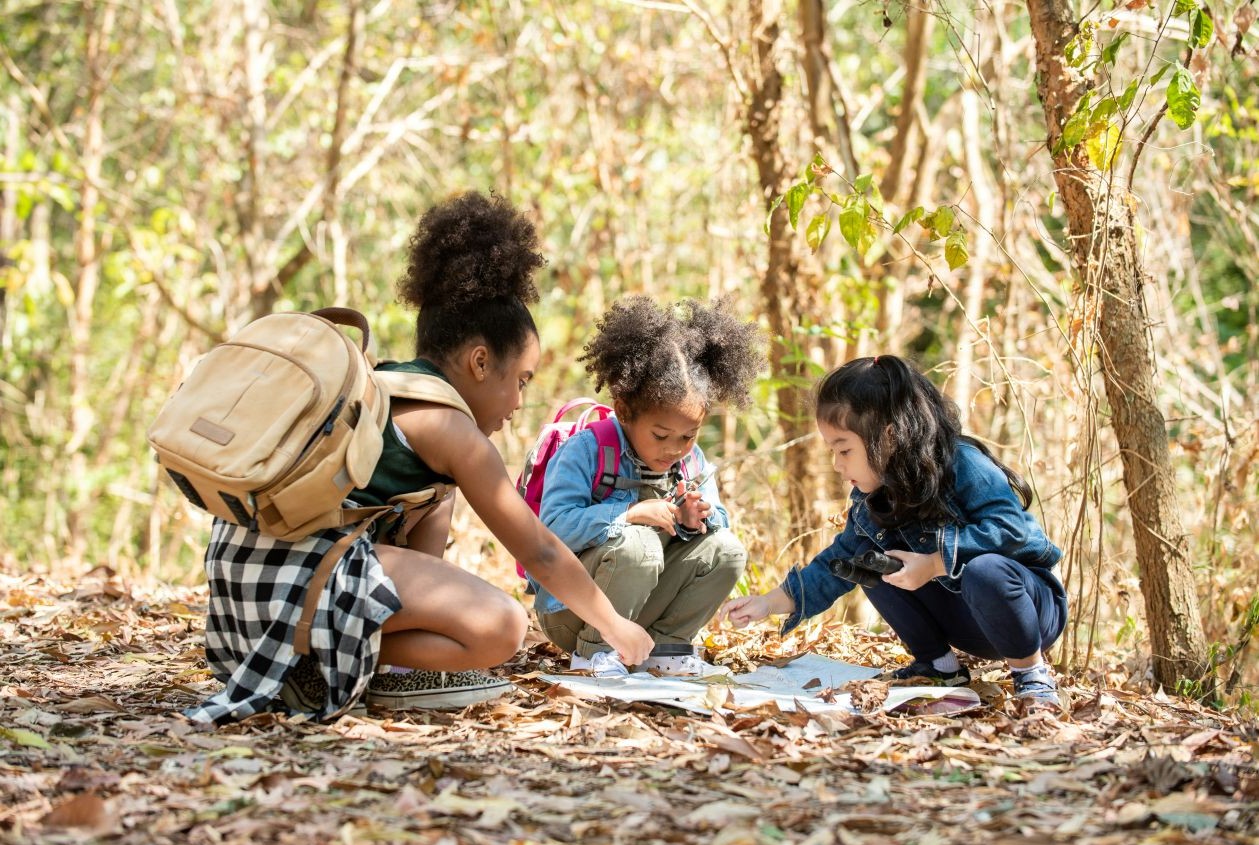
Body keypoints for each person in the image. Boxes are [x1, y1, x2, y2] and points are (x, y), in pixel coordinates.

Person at [185, 191, 653, 726]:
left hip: (238, 593)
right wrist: (616, 626)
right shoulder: (451, 430)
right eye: (520, 381)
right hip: (291, 591)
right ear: (480, 361)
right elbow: (541, 552)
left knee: (445, 538)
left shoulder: (385, 385)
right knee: (502, 626)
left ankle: (326, 661)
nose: (520, 403)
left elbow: (426, 568)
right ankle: (309, 667)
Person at [717, 355, 1068, 711]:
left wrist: (934, 563)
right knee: (868, 565)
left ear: (889, 436)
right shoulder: (873, 498)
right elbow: (833, 565)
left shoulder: (962, 463)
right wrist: (767, 603)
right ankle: (940, 668)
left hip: (1029, 613)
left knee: (985, 570)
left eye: (844, 449)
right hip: (965, 621)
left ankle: (1032, 675)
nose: (837, 465)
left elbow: (1014, 530)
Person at [529, 296, 765, 678]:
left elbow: (718, 519)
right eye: (660, 435)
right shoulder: (587, 451)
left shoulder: (690, 460)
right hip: (572, 613)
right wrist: (629, 514)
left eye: (689, 436)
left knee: (728, 550)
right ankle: (595, 655)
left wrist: (696, 520)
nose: (674, 448)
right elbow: (549, 530)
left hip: (643, 603)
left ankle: (665, 648)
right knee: (638, 544)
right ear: (624, 411)